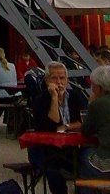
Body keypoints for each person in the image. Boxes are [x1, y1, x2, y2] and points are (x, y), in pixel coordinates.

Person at [26, 61, 87, 194]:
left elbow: (82, 122)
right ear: (47, 80)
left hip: (68, 148)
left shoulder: (74, 96)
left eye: (62, 78)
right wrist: (54, 98)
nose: (59, 81)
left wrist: (66, 126)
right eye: (54, 78)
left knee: (86, 165)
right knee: (53, 170)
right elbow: (50, 126)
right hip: (44, 149)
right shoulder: (41, 99)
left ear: (67, 80)